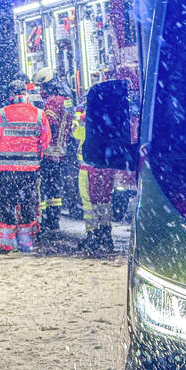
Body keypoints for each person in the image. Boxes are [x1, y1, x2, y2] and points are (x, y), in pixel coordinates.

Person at [0, 79, 51, 252]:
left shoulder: (0, 114)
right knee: (28, 204)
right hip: (30, 170)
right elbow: (46, 142)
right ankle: (26, 242)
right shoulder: (39, 114)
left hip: (7, 170)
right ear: (26, 93)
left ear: (10, 95)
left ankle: (6, 245)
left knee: (7, 204)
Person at [72, 102, 117, 252]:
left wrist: (77, 115)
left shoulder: (85, 118)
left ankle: (92, 235)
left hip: (87, 167)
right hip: (106, 167)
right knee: (104, 201)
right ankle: (106, 234)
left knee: (88, 202)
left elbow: (76, 133)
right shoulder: (111, 118)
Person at [38, 78, 76, 237]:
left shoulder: (52, 102)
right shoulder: (66, 101)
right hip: (61, 152)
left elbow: (50, 123)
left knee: (44, 188)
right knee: (55, 189)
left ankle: (46, 221)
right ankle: (55, 223)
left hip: (48, 152)